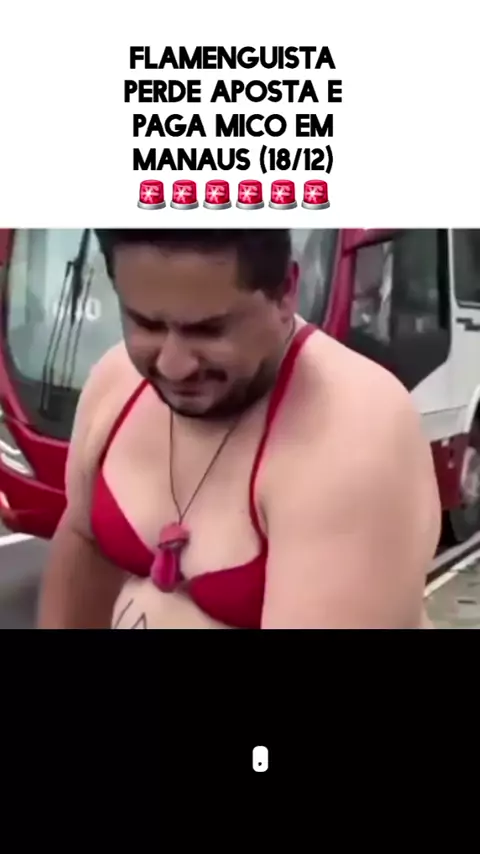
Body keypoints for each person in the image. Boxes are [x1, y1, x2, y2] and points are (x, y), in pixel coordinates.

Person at [37, 228, 440, 629]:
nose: (173, 366)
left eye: (208, 330)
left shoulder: (353, 430)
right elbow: (82, 539)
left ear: (285, 293)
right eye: (147, 325)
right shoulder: (116, 382)